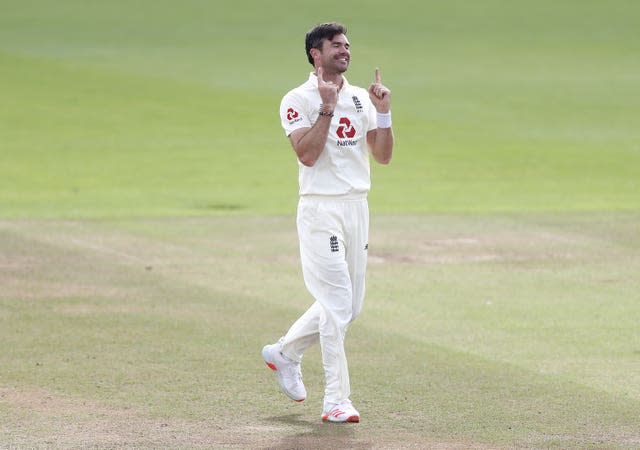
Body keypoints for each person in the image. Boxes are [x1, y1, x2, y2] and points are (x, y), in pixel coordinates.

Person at [262, 22, 394, 424]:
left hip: (358, 207)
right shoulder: (296, 98)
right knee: (336, 304)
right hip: (321, 209)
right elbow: (306, 155)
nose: (345, 50)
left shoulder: (359, 96)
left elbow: (382, 156)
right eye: (336, 45)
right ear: (315, 54)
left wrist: (384, 113)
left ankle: (284, 353)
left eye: (347, 45)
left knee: (349, 307)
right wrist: (325, 106)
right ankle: (336, 401)